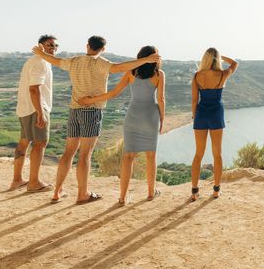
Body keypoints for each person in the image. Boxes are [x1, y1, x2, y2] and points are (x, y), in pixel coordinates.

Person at [32, 36, 160, 204]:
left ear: (87, 46)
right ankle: (83, 194)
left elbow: (55, 61)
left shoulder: (74, 61)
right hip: (92, 111)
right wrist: (147, 59)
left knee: (69, 152)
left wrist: (41, 53)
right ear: (103, 49)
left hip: (74, 110)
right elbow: (121, 67)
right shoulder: (102, 63)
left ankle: (57, 191)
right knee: (85, 154)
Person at [79, 45, 165, 206]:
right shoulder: (159, 74)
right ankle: (150, 193)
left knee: (128, 157)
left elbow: (113, 93)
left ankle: (122, 197)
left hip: (132, 116)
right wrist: (162, 120)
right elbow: (161, 100)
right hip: (150, 117)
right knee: (150, 156)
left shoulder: (131, 72)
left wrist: (89, 100)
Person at [9, 34, 57, 192]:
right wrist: (40, 112)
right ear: (40, 46)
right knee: (40, 143)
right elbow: (34, 89)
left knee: (24, 141)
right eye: (50, 45)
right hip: (35, 108)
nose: (53, 48)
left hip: (25, 108)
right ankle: (34, 182)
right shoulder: (41, 62)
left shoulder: (34, 61)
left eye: (55, 46)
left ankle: (17, 180)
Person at [189, 48, 238, 201]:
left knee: (198, 154)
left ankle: (194, 191)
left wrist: (194, 115)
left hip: (201, 115)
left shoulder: (197, 76)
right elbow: (235, 64)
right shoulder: (222, 75)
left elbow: (194, 100)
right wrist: (220, 56)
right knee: (217, 154)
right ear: (217, 59)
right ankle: (216, 190)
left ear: (205, 59)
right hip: (216, 113)